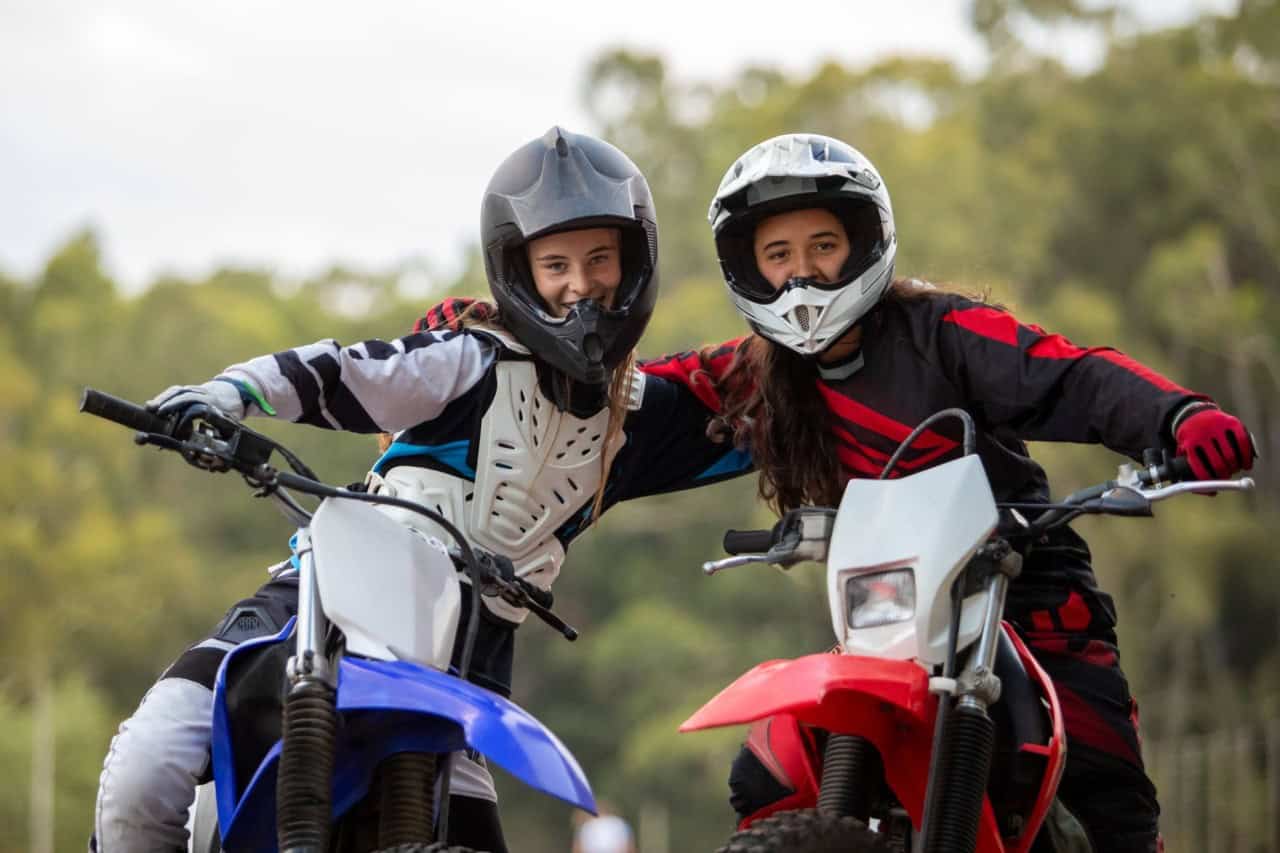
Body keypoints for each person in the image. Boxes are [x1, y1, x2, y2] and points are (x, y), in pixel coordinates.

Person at [91, 127, 751, 853]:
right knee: (144, 769)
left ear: (634, 265)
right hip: (323, 604)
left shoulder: (642, 415)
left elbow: (770, 405)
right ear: (518, 271)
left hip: (464, 670)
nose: (580, 285)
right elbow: (349, 371)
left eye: (600, 260)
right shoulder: (465, 360)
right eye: (555, 264)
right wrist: (229, 392)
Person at [640, 133, 1256, 853]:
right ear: (749, 268)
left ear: (865, 243)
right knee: (765, 773)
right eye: (778, 256)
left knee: (1110, 801)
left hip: (1028, 601)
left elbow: (1067, 373)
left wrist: (1178, 415)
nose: (801, 275)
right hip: (888, 621)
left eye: (823, 247)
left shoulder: (944, 332)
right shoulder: (756, 374)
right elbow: (649, 394)